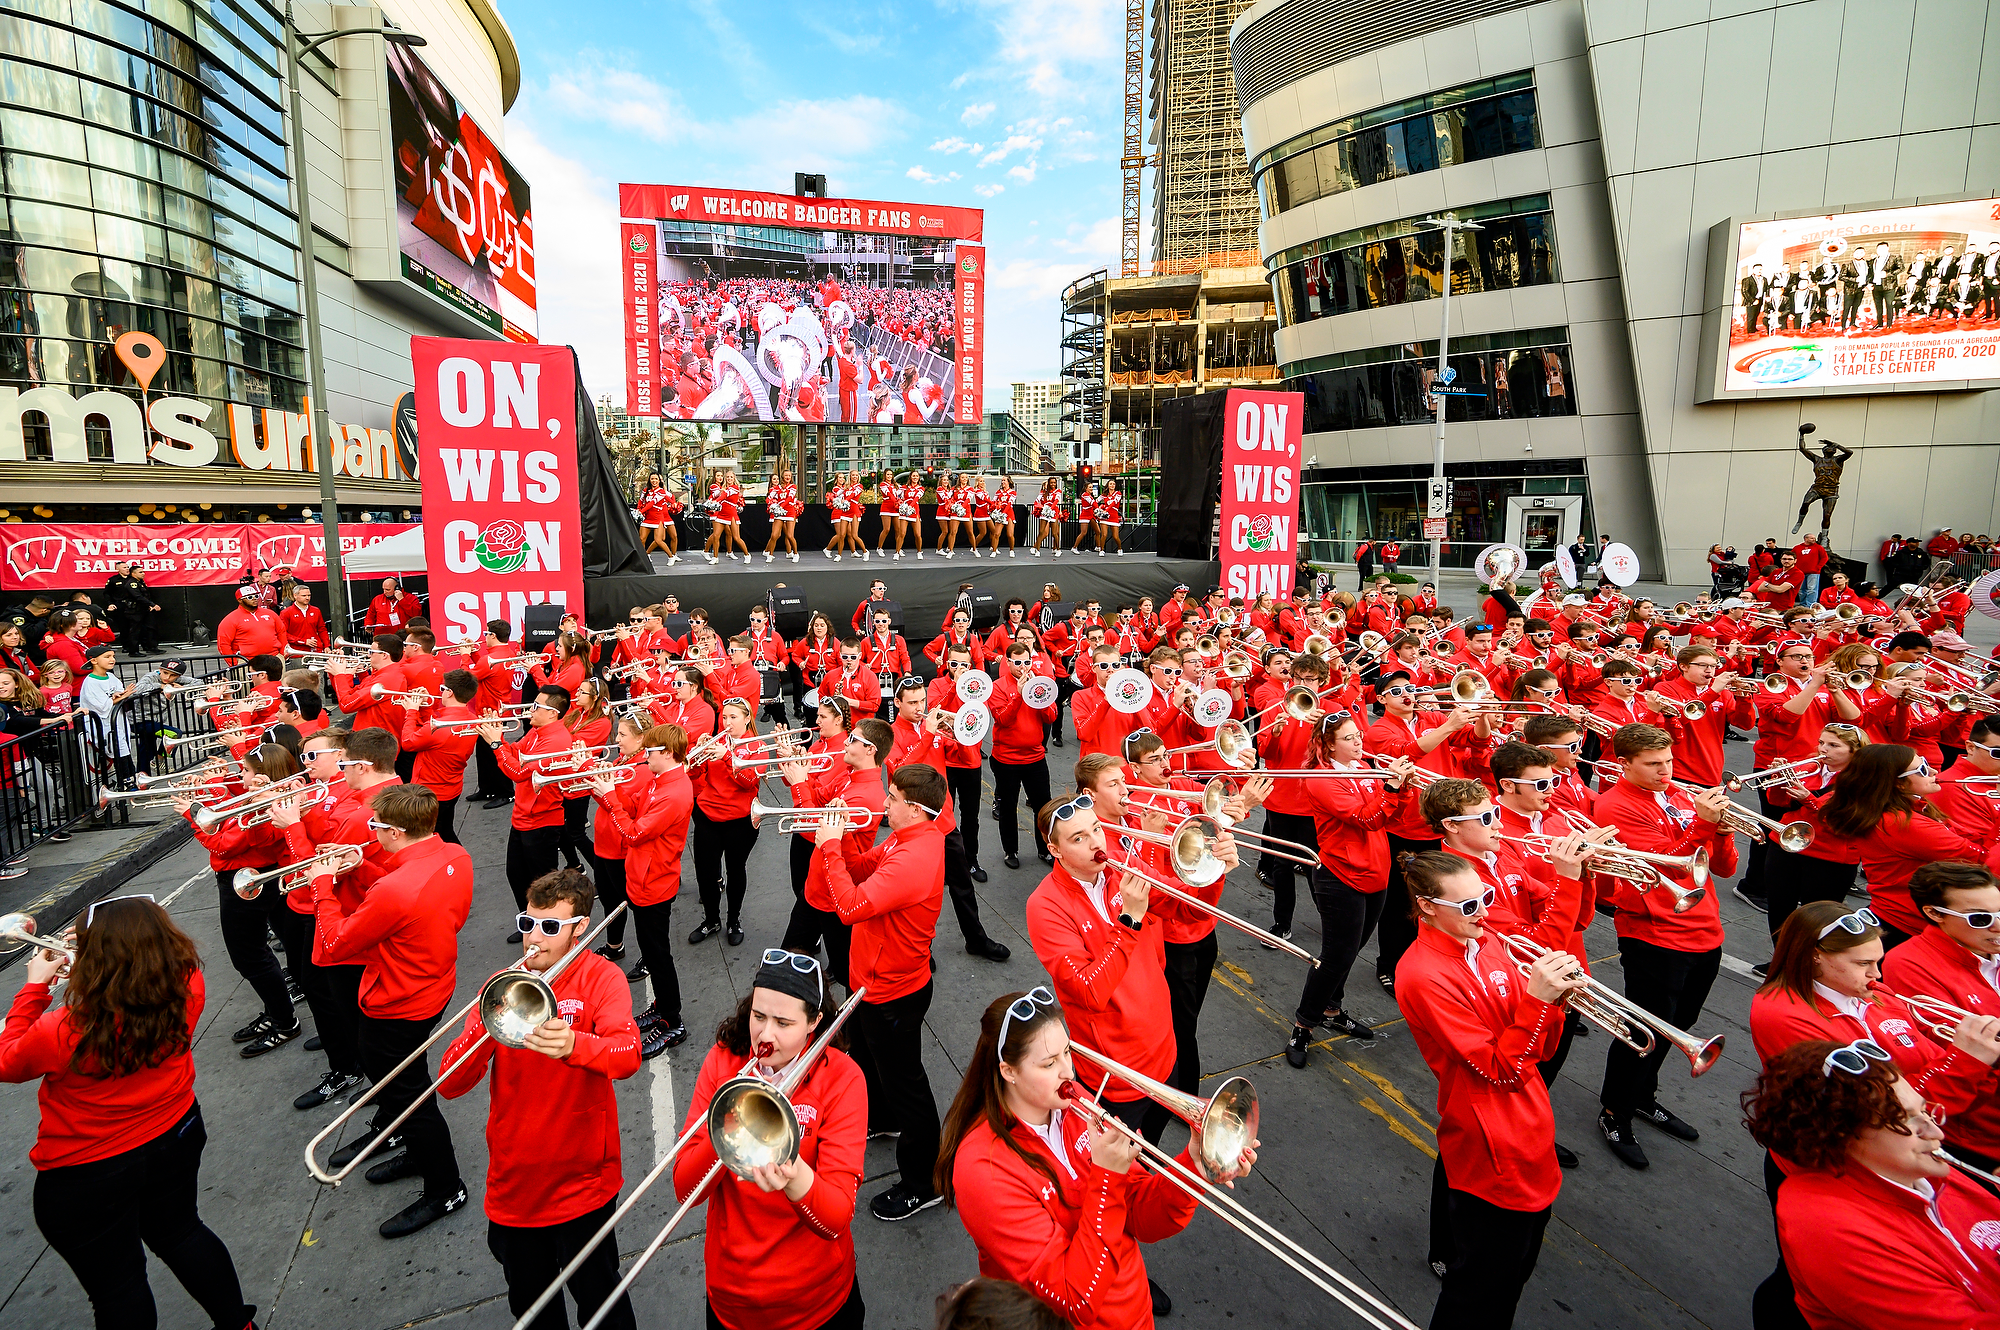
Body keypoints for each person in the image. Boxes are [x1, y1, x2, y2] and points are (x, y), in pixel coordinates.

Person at [0, 896, 256, 1330]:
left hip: (88, 1170)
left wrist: (34, 988)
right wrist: (92, 956)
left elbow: (8, 1061)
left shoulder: (62, 1028)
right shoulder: (188, 980)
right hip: (175, 1131)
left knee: (118, 1287)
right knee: (182, 1233)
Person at [937, 990, 1218, 1330]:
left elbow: (1142, 1217)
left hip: (1133, 1311)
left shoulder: (1073, 1103)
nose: (1068, 1071)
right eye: (1049, 1063)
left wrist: (1194, 1164)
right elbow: (1074, 1301)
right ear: (1008, 1071)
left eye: (1067, 1051)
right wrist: (1107, 1177)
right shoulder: (982, 1169)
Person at [439, 867, 641, 1330]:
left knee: (600, 1297)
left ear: (579, 929)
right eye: (528, 923)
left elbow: (627, 1053)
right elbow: (450, 1084)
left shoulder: (601, 978)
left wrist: (576, 1045)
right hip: (516, 1182)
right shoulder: (502, 984)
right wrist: (488, 1026)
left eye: (550, 927)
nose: (534, 937)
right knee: (532, 1307)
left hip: (583, 1180)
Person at [1395, 848, 1588, 1328]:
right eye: (1467, 906)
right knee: (1479, 1293)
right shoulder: (1423, 974)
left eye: (1483, 897)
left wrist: (1551, 1004)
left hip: (1527, 1124)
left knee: (1513, 1275)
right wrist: (1539, 1003)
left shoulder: (1483, 940)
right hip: (1490, 1144)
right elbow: (1499, 1070)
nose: (1483, 911)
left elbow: (1535, 1052)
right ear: (1426, 907)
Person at [1742, 1041, 2000, 1330]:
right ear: (1842, 1134)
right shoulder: (1825, 1222)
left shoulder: (1917, 1172)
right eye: (1908, 1121)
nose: (1936, 1131)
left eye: (1925, 1112)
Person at [307, 784, 472, 1237]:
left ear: (396, 832)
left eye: (376, 826)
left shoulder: (395, 889)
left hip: (396, 1004)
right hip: (430, 985)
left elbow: (333, 942)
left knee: (409, 1097)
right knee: (410, 1086)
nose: (371, 831)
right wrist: (363, 866)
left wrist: (322, 885)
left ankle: (446, 1187)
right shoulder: (454, 854)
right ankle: (419, 1152)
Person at [674, 948, 868, 1330]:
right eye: (758, 1016)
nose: (765, 1035)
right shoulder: (723, 1061)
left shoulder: (843, 1079)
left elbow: (835, 1219)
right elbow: (685, 1190)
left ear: (814, 1022)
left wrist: (796, 1179)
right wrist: (730, 1119)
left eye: (784, 1022)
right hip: (733, 1297)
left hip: (818, 1302)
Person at [805, 762, 949, 1222]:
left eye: (894, 800)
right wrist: (842, 835)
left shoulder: (914, 858)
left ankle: (923, 1182)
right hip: (877, 979)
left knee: (908, 1083)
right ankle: (884, 1120)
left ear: (916, 810)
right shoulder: (908, 839)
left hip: (893, 988)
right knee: (876, 1059)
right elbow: (864, 867)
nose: (884, 804)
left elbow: (849, 907)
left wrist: (828, 848)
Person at [1592, 722, 1738, 1169]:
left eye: (1670, 761)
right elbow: (1672, 870)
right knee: (1645, 1032)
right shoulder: (1614, 806)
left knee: (1681, 1023)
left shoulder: (1679, 795)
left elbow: (1725, 869)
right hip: (1654, 934)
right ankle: (1615, 1111)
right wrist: (1702, 826)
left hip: (1704, 929)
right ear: (1624, 765)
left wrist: (1723, 829)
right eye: (1654, 765)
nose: (1666, 771)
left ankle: (1641, 1096)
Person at [1285, 714, 1416, 1067]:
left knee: (1352, 948)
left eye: (1359, 735)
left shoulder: (1364, 766)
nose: (1359, 742)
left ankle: (1331, 1007)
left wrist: (1402, 789)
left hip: (1375, 872)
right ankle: (1303, 1024)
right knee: (1335, 958)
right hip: (1341, 876)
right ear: (1329, 745)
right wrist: (1390, 789)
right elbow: (1366, 818)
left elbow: (1389, 818)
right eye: (1349, 738)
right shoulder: (1321, 779)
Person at [591, 723, 693, 1056]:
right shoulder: (659, 781)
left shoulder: (672, 792)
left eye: (649, 751)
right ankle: (663, 1006)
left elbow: (633, 833)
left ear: (667, 753)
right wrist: (606, 789)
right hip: (644, 877)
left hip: (655, 883)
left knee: (658, 956)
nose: (643, 756)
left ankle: (673, 1020)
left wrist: (609, 798)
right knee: (652, 951)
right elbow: (631, 807)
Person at [484, 685, 576, 934]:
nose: (530, 710)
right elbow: (516, 752)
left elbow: (517, 773)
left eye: (537, 706)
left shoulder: (556, 740)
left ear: (553, 713)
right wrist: (499, 738)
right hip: (523, 817)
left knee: (543, 884)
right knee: (516, 875)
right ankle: (529, 921)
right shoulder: (537, 731)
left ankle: (550, 928)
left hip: (542, 821)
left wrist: (495, 745)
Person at [688, 696, 761, 947]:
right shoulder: (718, 740)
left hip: (740, 819)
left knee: (735, 870)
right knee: (705, 874)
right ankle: (711, 919)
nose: (727, 722)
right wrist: (697, 752)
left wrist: (728, 757)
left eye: (733, 717)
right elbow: (695, 773)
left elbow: (749, 781)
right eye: (724, 716)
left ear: (746, 718)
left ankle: (733, 920)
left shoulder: (755, 745)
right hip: (709, 814)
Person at [989, 642, 1058, 869]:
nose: (1022, 667)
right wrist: (1019, 696)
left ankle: (1045, 849)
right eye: (1017, 662)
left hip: (1035, 758)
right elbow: (1002, 720)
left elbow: (1050, 717)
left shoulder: (1040, 681)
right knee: (1008, 807)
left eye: (1026, 662)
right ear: (1008, 662)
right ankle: (1011, 850)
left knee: (1043, 807)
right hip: (1006, 759)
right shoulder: (998, 686)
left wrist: (1038, 697)